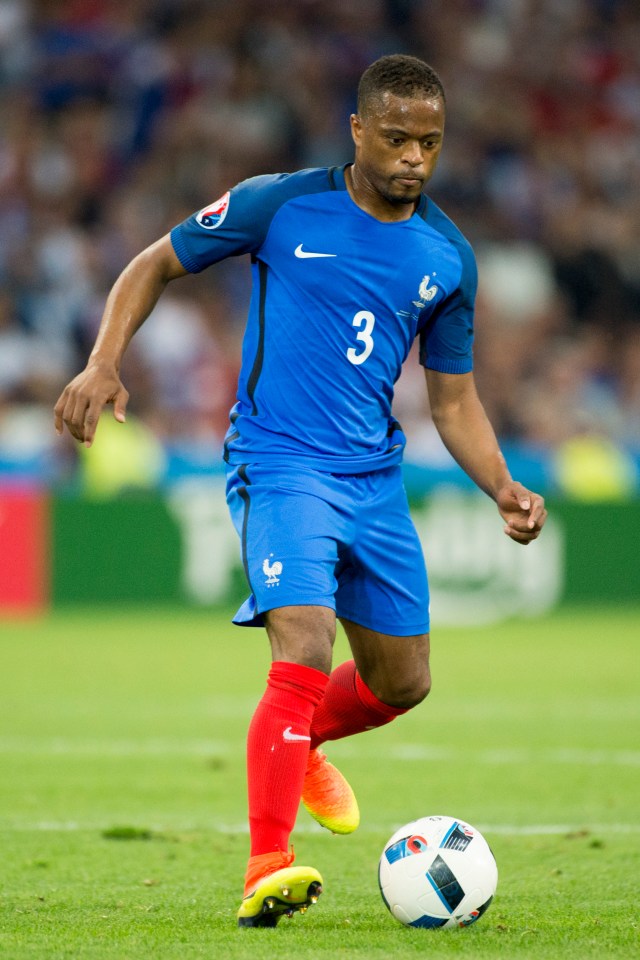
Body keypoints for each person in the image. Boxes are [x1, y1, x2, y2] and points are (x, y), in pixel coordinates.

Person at [54, 54, 547, 927]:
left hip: (374, 477)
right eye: (396, 139)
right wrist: (103, 361)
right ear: (358, 130)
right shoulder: (278, 205)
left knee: (405, 682)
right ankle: (266, 866)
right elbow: (153, 263)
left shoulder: (448, 258)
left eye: (430, 144)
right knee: (306, 645)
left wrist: (502, 484)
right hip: (280, 462)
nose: (413, 160)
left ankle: (305, 737)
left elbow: (455, 397)